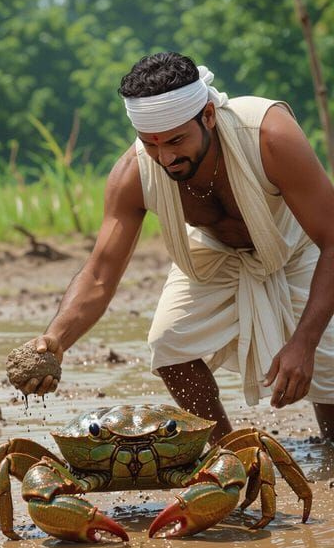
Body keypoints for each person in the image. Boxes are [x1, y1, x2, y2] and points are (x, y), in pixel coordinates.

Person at [23, 52, 334, 445]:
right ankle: (225, 454)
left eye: (175, 140)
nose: (166, 158)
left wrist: (304, 344)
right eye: (149, 143)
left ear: (207, 115)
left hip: (297, 248)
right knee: (169, 343)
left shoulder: (269, 136)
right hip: (213, 254)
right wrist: (55, 340)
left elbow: (332, 240)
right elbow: (101, 272)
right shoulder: (134, 174)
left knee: (327, 376)